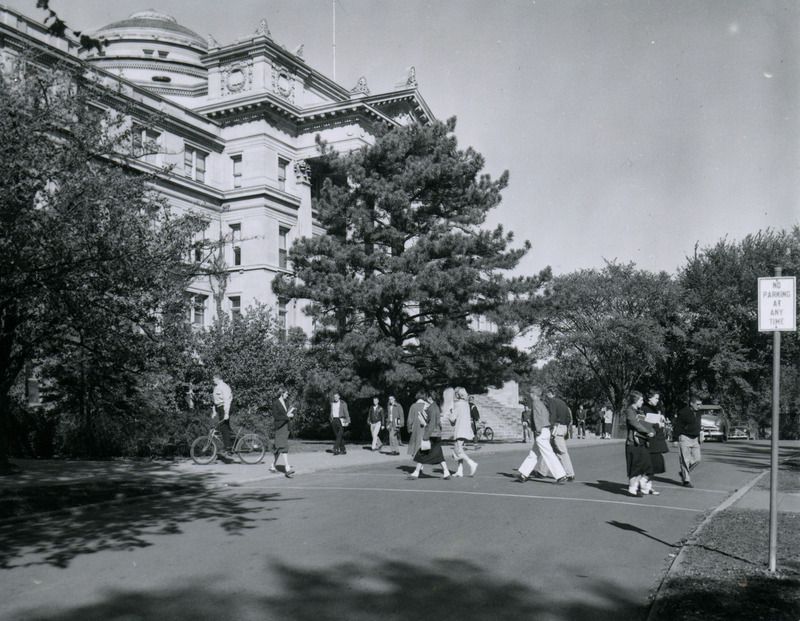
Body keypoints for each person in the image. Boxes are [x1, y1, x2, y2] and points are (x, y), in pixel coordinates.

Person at [513, 385, 567, 484]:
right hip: (545, 430)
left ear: (533, 394)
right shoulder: (541, 403)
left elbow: (537, 418)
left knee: (548, 454)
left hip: (541, 431)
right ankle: (523, 474)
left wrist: (537, 430)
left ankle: (561, 475)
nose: (529, 395)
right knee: (533, 454)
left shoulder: (535, 404)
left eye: (530, 393)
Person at [407, 392, 451, 479]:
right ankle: (446, 472)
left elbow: (431, 424)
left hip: (432, 434)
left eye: (427, 397)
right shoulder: (436, 407)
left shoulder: (431, 408)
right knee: (438, 455)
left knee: (422, 453)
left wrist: (425, 436)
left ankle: (416, 472)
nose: (426, 398)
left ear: (430, 398)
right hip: (437, 434)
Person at [625, 391, 656, 497]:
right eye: (641, 400)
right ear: (635, 400)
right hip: (633, 442)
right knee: (634, 465)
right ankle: (632, 488)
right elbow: (635, 424)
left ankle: (636, 485)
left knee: (643, 464)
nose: (643, 402)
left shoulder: (640, 411)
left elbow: (647, 424)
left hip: (643, 442)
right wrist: (648, 432)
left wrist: (652, 431)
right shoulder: (629, 411)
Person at [447, 388, 479, 477]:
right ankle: (460, 470)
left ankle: (471, 463)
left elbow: (452, 419)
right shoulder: (466, 404)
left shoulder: (457, 404)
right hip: (466, 429)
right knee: (458, 449)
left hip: (460, 429)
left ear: (458, 394)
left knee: (458, 450)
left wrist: (450, 413)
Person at [544, 389, 576, 481]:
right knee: (550, 449)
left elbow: (553, 415)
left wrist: (549, 427)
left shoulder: (552, 401)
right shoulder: (562, 403)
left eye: (548, 393)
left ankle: (570, 473)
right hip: (563, 427)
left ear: (550, 394)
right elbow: (568, 417)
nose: (547, 396)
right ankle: (542, 470)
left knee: (562, 452)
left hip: (556, 427)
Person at [642, 391, 669, 494]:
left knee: (657, 463)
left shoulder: (656, 409)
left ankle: (648, 486)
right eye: (656, 398)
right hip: (651, 439)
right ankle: (644, 481)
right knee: (653, 462)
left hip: (657, 438)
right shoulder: (645, 409)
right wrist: (657, 424)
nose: (657, 401)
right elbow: (646, 424)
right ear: (649, 398)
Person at [673, 395, 703, 488]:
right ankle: (686, 480)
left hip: (695, 438)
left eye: (700, 405)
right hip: (685, 437)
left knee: (697, 459)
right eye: (697, 404)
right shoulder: (684, 412)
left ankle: (684, 472)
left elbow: (698, 424)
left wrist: (700, 434)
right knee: (685, 460)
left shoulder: (698, 413)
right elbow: (677, 426)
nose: (699, 407)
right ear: (691, 403)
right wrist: (675, 439)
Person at [270, 388, 295, 476]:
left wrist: (291, 415)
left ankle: (273, 465)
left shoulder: (287, 403)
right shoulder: (275, 403)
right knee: (283, 446)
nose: (287, 395)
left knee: (279, 447)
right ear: (281, 393)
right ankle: (287, 468)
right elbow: (276, 417)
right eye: (286, 394)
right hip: (279, 427)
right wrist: (287, 416)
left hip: (286, 427)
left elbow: (287, 415)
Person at [211, 374, 233, 458]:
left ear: (217, 378)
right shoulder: (216, 387)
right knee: (224, 428)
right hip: (219, 409)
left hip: (224, 408)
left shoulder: (224, 387)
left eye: (213, 379)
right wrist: (214, 412)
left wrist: (226, 413)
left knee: (224, 427)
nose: (213, 380)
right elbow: (215, 401)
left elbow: (227, 400)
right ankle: (231, 445)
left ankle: (228, 448)